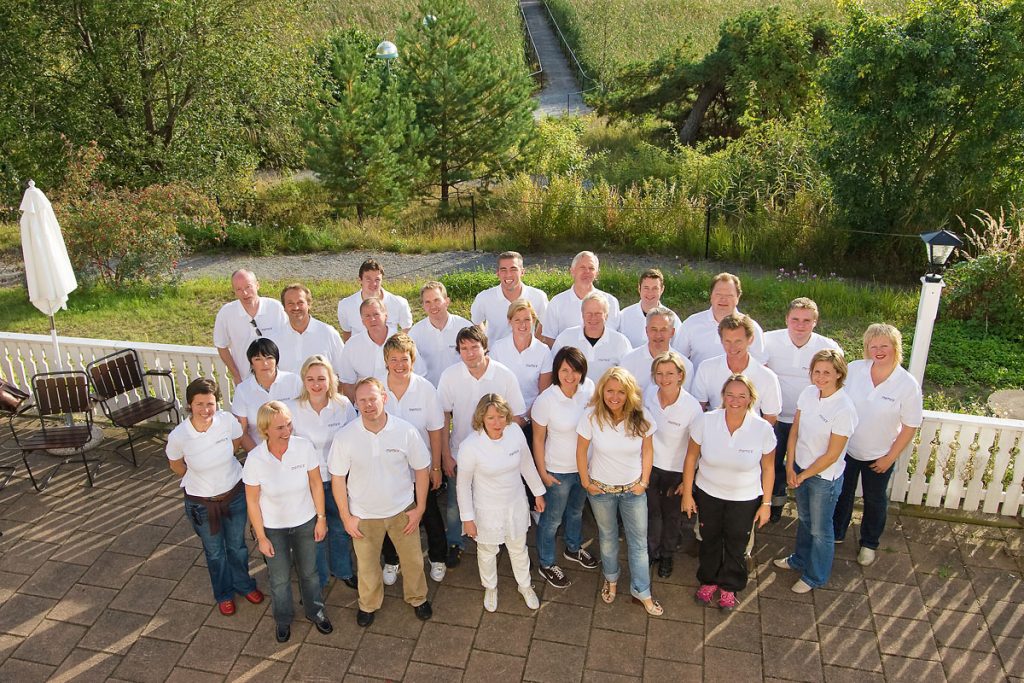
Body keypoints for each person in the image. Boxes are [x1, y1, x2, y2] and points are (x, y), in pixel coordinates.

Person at [328, 378, 433, 628]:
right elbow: (337, 479)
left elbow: (421, 469)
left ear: (384, 398)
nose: (368, 405)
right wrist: (346, 517)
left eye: (372, 399)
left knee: (413, 561)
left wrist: (420, 508)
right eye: (362, 400)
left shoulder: (405, 431)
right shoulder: (345, 437)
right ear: (356, 403)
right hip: (364, 515)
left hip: (402, 511)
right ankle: (368, 604)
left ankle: (418, 598)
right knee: (367, 566)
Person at [166, 378, 263, 616]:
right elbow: (176, 465)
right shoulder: (179, 436)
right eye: (199, 404)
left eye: (210, 403)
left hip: (234, 495)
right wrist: (196, 475)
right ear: (190, 405)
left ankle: (244, 584)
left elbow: (236, 441)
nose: (205, 409)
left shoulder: (226, 421)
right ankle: (224, 594)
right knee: (215, 553)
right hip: (202, 504)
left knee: (237, 546)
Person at [680, 375, 776, 609]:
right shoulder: (706, 421)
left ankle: (730, 586)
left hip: (744, 499)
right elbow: (691, 457)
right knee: (709, 539)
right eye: (730, 395)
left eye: (742, 396)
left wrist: (766, 504)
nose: (735, 400)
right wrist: (688, 494)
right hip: (708, 494)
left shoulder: (762, 429)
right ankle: (708, 580)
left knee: (736, 543)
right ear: (723, 396)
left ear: (751, 399)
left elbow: (768, 468)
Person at [576, 367, 663, 616]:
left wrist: (644, 482)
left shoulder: (642, 416)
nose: (615, 397)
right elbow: (581, 451)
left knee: (638, 543)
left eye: (621, 392)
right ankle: (611, 579)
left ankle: (642, 591)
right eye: (610, 391)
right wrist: (586, 482)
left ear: (630, 394)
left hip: (633, 491)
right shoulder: (591, 416)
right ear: (602, 391)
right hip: (600, 491)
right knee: (608, 538)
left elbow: (648, 451)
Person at [243, 401, 332, 643]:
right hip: (273, 529)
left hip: (305, 522)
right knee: (279, 578)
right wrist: (261, 537)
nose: (287, 431)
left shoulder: (304, 447)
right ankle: (283, 619)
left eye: (289, 424)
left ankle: (315, 611)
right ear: (265, 430)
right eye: (280, 427)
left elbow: (316, 483)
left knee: (310, 573)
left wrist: (321, 519)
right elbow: (252, 501)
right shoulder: (255, 459)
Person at [438, 325, 526, 567]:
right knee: (456, 503)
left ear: (485, 347)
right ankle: (455, 543)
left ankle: (500, 538)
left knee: (496, 501)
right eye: (463, 348)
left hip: (497, 456)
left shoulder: (504, 375)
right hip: (460, 453)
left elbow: (517, 416)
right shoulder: (449, 376)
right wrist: (445, 455)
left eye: (474, 347)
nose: (469, 353)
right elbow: (443, 416)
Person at [833, 324, 921, 567]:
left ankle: (869, 543)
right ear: (866, 348)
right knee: (843, 493)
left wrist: (889, 458)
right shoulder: (854, 369)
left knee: (874, 499)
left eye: (884, 346)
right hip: (847, 449)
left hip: (879, 455)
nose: (879, 351)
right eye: (873, 346)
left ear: (895, 348)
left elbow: (910, 426)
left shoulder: (907, 384)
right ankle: (837, 532)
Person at [774, 350, 858, 594]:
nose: (820, 377)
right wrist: (790, 465)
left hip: (823, 478)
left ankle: (815, 576)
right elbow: (795, 431)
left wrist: (802, 475)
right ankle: (800, 559)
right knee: (804, 519)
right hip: (799, 468)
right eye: (816, 371)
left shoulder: (844, 409)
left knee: (821, 530)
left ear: (839, 374)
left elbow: (832, 454)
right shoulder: (808, 393)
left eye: (827, 373)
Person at [457, 394, 547, 612]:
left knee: (519, 548)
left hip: (515, 504)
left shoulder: (515, 432)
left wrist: (538, 493)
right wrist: (467, 519)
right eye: (490, 418)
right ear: (481, 419)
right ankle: (490, 587)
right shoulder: (470, 446)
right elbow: (463, 485)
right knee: (487, 551)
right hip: (487, 509)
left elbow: (526, 464)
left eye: (501, 416)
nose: (497, 423)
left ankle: (525, 586)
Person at [764, 298, 842, 522]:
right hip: (774, 417)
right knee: (772, 463)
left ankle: (806, 511)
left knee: (802, 464)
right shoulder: (768, 341)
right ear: (786, 319)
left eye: (807, 321)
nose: (800, 325)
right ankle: (774, 504)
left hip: (809, 420)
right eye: (795, 319)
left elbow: (837, 381)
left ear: (815, 322)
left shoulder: (827, 347)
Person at [379, 334, 449, 585]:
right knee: (389, 516)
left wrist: (436, 467)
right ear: (386, 361)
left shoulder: (426, 389)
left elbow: (436, 430)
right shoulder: (377, 388)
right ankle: (391, 559)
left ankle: (438, 557)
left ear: (413, 360)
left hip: (420, 469)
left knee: (429, 513)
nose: (399, 365)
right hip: (387, 469)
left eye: (405, 359)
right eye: (394, 359)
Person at [286, 355, 358, 593]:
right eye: (310, 379)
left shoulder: (343, 405)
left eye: (321, 378)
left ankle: (343, 570)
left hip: (338, 478)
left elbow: (353, 438)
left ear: (330, 380)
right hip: (307, 481)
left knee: (339, 526)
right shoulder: (292, 409)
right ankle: (320, 577)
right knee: (315, 531)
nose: (316, 384)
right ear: (303, 380)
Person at [532, 347, 598, 588]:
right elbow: (538, 439)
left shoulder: (589, 389)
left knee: (576, 512)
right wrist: (542, 473)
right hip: (557, 471)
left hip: (584, 469)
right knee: (552, 520)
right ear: (556, 371)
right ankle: (547, 563)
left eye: (575, 371)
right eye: (565, 370)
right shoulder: (545, 400)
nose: (570, 376)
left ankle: (573, 547)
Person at [643, 352, 702, 579]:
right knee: (652, 514)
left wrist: (688, 481)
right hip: (650, 466)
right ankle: (652, 552)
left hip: (677, 471)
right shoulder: (648, 395)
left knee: (672, 517)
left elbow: (696, 448)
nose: (664, 378)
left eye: (670, 373)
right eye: (659, 373)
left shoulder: (692, 407)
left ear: (680, 375)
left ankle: (667, 555)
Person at [692, 314, 781, 424]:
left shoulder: (767, 377)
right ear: (721, 340)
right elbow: (698, 408)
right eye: (727, 341)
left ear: (750, 339)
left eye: (738, 341)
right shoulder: (706, 368)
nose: (732, 347)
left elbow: (770, 416)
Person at [674, 272, 766, 369]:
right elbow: (677, 360)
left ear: (738, 298)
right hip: (700, 379)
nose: (723, 299)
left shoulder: (751, 328)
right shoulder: (692, 323)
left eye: (729, 295)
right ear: (711, 296)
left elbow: (760, 365)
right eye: (718, 294)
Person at [338, 298, 423, 401]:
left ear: (386, 316)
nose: (372, 319)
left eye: (376, 314)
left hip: (401, 402)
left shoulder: (404, 342)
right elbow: (348, 383)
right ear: (362, 321)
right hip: (366, 406)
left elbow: (420, 374)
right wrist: (358, 408)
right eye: (367, 316)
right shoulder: (352, 345)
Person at [214, 269, 288, 385]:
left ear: (257, 285)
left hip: (278, 380)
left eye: (248, 287)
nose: (244, 293)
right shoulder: (226, 313)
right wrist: (236, 375)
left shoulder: (275, 308)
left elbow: (289, 338)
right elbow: (221, 345)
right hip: (245, 381)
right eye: (239, 289)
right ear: (234, 291)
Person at [231, 338, 302, 452]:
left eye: (269, 358)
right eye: (258, 359)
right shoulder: (243, 390)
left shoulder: (294, 381)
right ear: (251, 363)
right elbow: (242, 433)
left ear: (276, 360)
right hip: (259, 451)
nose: (264, 363)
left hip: (294, 450)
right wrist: (261, 457)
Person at [489, 299, 552, 421]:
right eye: (517, 320)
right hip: (502, 418)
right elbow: (492, 387)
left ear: (534, 321)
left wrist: (526, 418)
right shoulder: (497, 348)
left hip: (533, 417)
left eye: (527, 319)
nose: (523, 325)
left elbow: (543, 393)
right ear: (510, 322)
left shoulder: (544, 351)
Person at [541, 251, 621, 344]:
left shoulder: (610, 302)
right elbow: (549, 338)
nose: (587, 272)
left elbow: (613, 335)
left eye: (591, 268)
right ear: (572, 271)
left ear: (596, 274)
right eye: (582, 267)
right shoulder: (557, 302)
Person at [549, 293, 632, 382]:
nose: (593, 317)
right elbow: (552, 371)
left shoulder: (620, 342)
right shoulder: (565, 338)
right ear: (582, 315)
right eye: (589, 313)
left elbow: (629, 376)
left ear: (606, 316)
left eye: (598, 313)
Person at [471, 251, 549, 341]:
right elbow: (476, 322)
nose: (508, 274)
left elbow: (546, 323)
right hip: (494, 350)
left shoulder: (538, 296)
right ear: (498, 273)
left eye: (513, 269)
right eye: (503, 270)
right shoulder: (484, 297)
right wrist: (485, 343)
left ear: (522, 272)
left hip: (526, 350)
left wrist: (536, 343)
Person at [408, 281, 472, 387]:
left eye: (436, 300)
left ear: (447, 301)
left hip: (462, 388)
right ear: (423, 306)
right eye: (427, 302)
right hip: (430, 390)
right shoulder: (415, 333)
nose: (432, 306)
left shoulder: (465, 327)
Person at [621, 306, 694, 394]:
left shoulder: (685, 366)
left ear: (672, 332)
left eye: (663, 330)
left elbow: (685, 399)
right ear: (646, 330)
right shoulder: (629, 361)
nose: (658, 335)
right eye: (654, 329)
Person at [336, 258, 413, 341]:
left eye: (377, 279)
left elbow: (407, 329)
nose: (373, 284)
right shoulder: (345, 305)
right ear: (360, 280)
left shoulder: (399, 303)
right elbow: (347, 333)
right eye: (368, 279)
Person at [276, 283, 345, 376]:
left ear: (309, 304)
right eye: (290, 303)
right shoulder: (275, 338)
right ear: (284, 307)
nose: (296, 307)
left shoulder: (328, 333)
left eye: (300, 303)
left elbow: (343, 371)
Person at [618, 269, 667, 347]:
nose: (650, 293)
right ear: (639, 288)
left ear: (662, 289)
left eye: (655, 288)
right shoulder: (624, 316)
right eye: (646, 288)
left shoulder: (671, 319)